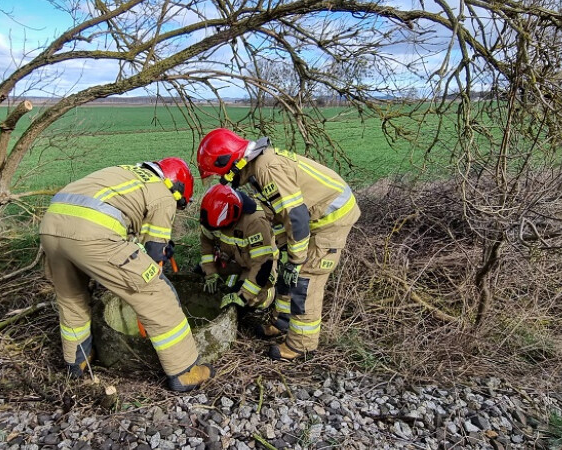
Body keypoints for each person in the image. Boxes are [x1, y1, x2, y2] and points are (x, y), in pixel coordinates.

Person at [39, 158, 213, 392]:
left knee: (72, 297)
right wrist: (156, 258)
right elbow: (153, 253)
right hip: (91, 233)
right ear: (178, 188)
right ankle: (185, 371)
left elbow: (125, 229)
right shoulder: (164, 194)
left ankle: (78, 362)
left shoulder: (127, 174)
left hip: (51, 226)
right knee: (156, 293)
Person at [196, 129, 361, 361]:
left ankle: (301, 345)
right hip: (312, 218)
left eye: (221, 174)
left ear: (231, 163)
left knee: (305, 279)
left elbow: (296, 217)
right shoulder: (257, 167)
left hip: (328, 220)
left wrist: (296, 260)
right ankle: (281, 322)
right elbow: (282, 212)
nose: (223, 180)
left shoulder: (266, 168)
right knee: (285, 270)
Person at [197, 183, 281, 311]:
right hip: (235, 259)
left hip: (260, 266)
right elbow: (206, 241)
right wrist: (210, 272)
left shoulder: (255, 221)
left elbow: (262, 265)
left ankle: (269, 296)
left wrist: (243, 296)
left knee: (241, 304)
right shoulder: (212, 219)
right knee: (199, 272)